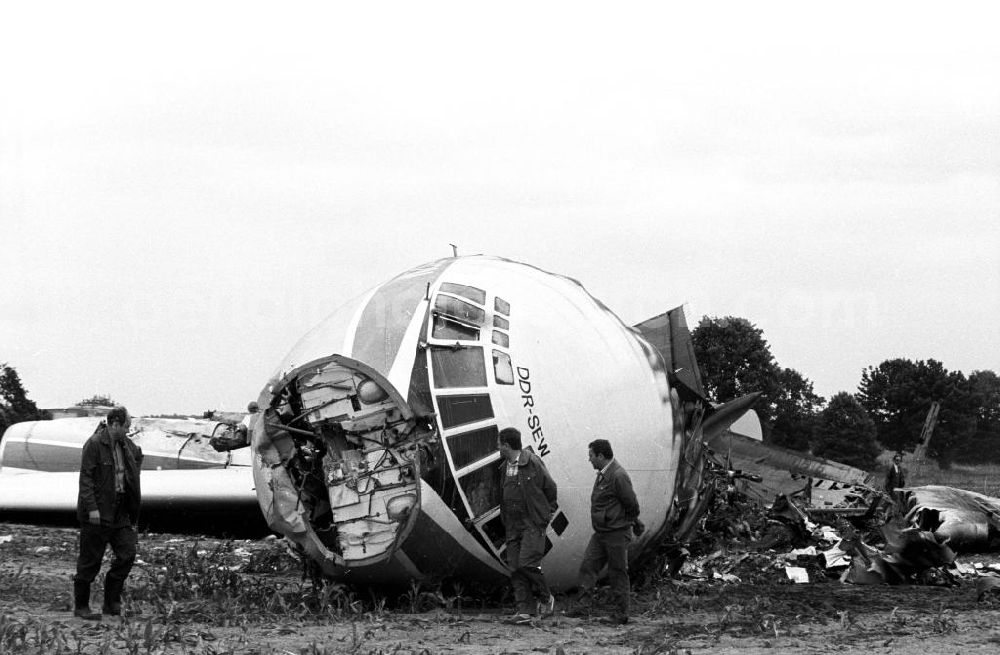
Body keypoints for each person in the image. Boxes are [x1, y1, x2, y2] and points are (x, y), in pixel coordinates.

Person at [73, 406, 143, 620]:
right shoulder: (94, 444)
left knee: (127, 554)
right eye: (126, 426)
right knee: (90, 560)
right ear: (115, 424)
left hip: (120, 510)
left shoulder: (125, 445)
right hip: (98, 510)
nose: (128, 431)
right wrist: (92, 509)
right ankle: (81, 606)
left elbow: (138, 458)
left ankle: (111, 602)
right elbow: (85, 479)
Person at [569, 439, 642, 625]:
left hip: (616, 533)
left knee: (617, 572)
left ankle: (621, 614)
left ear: (601, 456)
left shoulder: (617, 475)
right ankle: (582, 607)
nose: (590, 460)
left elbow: (632, 504)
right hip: (602, 533)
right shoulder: (604, 474)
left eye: (591, 456)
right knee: (588, 566)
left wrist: (624, 522)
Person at [497, 427, 558, 625]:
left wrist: (543, 515)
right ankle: (525, 610)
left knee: (528, 563)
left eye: (500, 444)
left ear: (507, 445)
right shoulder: (505, 466)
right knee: (515, 566)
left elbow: (550, 488)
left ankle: (546, 598)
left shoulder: (532, 462)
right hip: (512, 524)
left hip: (531, 522)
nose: (498, 447)